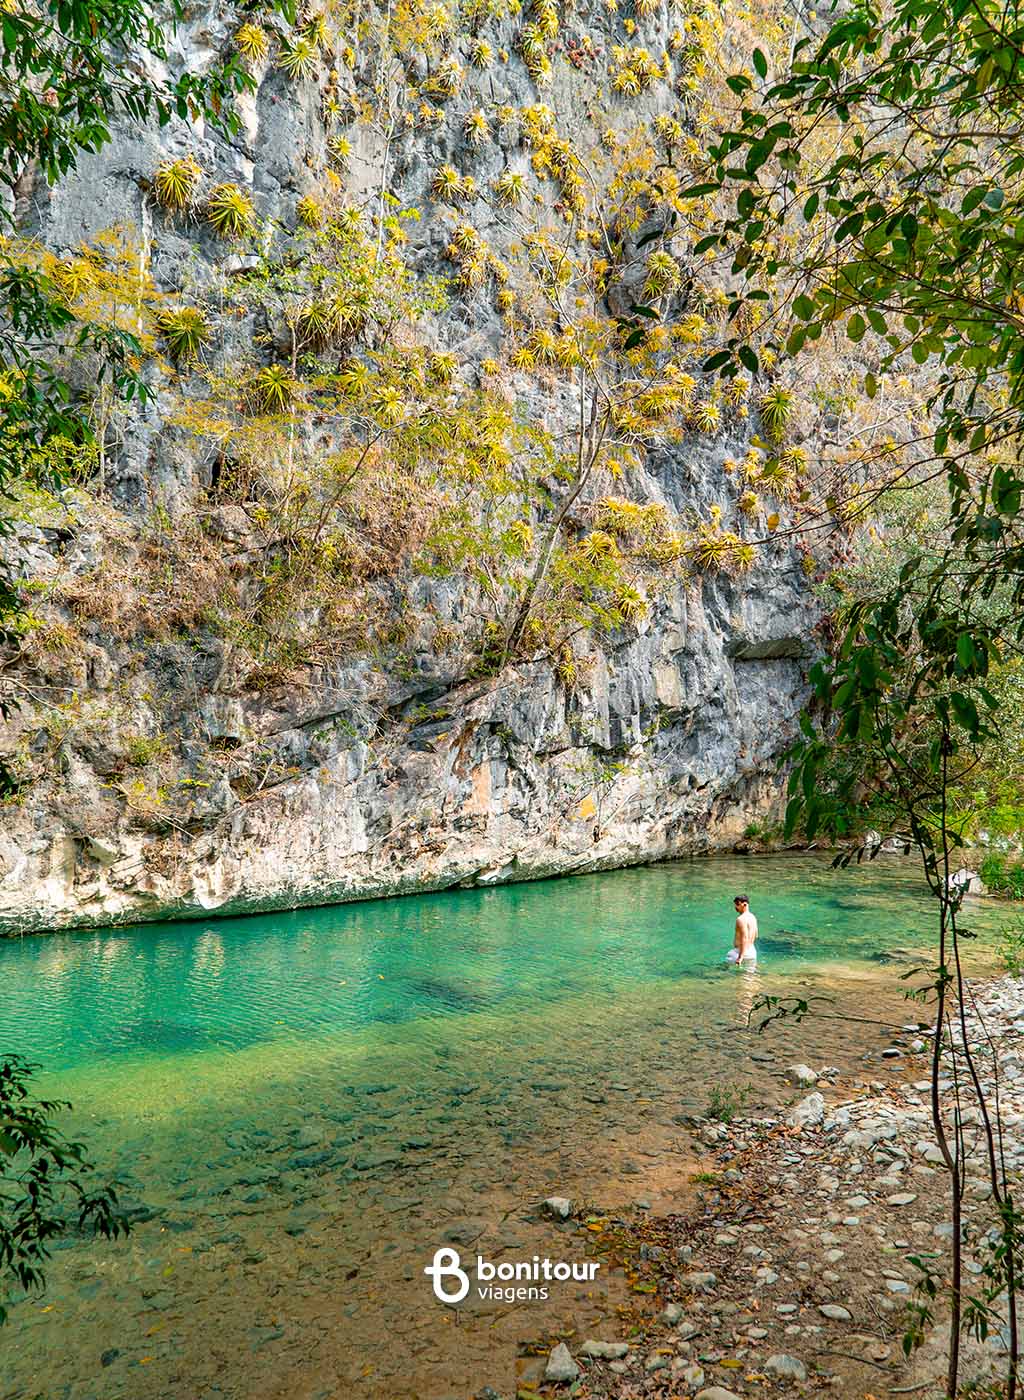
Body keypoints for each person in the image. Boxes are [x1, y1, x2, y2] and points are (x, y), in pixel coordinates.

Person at [726, 895, 758, 964]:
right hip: (752, 952)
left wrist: (740, 957)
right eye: (735, 905)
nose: (736, 907)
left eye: (738, 904)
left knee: (727, 971)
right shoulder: (753, 917)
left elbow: (744, 938)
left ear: (745, 904)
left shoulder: (740, 919)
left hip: (740, 953)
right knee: (749, 974)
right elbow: (756, 935)